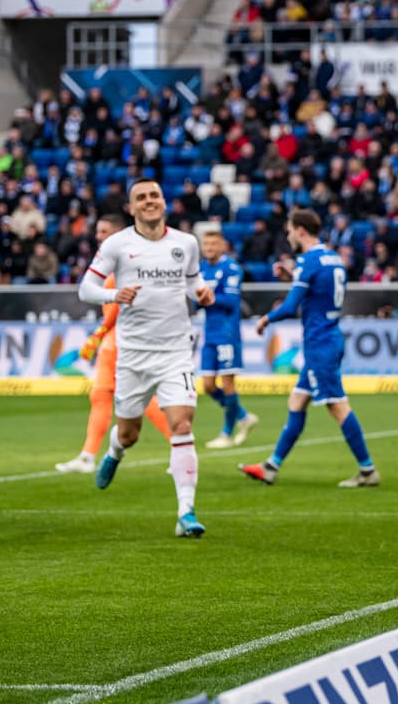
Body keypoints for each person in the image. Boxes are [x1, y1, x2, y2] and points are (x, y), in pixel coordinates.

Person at [78, 179, 215, 538]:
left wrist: (199, 291)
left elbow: (191, 280)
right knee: (129, 433)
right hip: (134, 356)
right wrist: (113, 295)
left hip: (175, 352)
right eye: (141, 197)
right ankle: (114, 452)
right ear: (132, 207)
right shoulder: (117, 244)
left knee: (182, 426)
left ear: (164, 202)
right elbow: (85, 288)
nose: (149, 201)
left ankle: (186, 511)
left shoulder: (185, 243)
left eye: (154, 195)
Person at [238, 209, 379, 488]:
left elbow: (291, 307)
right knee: (297, 400)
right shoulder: (332, 258)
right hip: (329, 336)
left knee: (337, 405)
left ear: (301, 230)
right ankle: (271, 466)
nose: (288, 235)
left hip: (319, 344)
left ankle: (367, 470)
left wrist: (266, 318)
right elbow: (320, 290)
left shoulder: (308, 260)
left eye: (290, 230)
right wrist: (294, 275)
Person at [56, 212, 172, 474]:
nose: (98, 236)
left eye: (104, 232)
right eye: (98, 231)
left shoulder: (129, 261)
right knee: (100, 396)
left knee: (142, 400)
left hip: (127, 340)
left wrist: (97, 334)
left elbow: (121, 305)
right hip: (113, 343)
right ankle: (87, 456)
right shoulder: (109, 262)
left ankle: (180, 447)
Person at [198, 229, 257, 449]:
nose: (210, 248)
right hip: (210, 333)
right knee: (208, 385)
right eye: (206, 244)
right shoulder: (202, 269)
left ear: (223, 246)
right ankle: (243, 416)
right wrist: (200, 298)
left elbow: (232, 301)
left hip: (227, 332)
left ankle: (226, 434)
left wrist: (207, 297)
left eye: (214, 244)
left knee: (228, 383)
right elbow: (197, 301)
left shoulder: (231, 268)